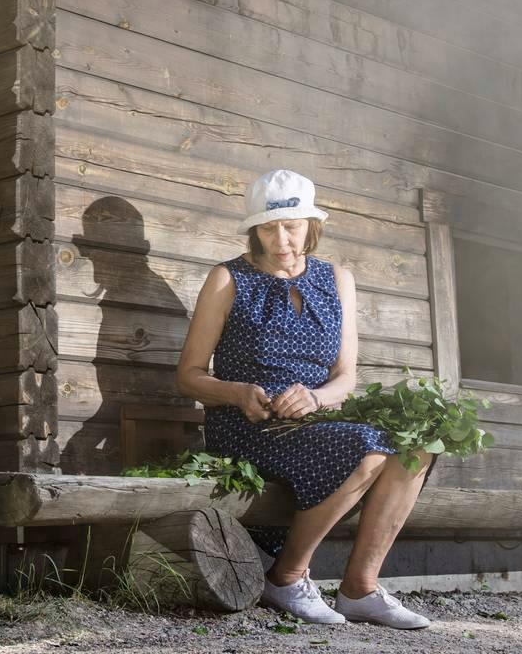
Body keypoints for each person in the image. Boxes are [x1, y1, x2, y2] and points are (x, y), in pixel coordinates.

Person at [176, 169, 432, 629]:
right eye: (268, 228)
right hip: (249, 426)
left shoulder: (337, 279)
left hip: (316, 421)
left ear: (311, 225)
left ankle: (360, 588)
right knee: (368, 449)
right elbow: (189, 377)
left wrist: (316, 398)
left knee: (418, 448)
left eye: (290, 226)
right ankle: (288, 577)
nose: (281, 239)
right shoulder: (227, 278)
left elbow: (345, 378)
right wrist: (236, 393)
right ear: (254, 230)